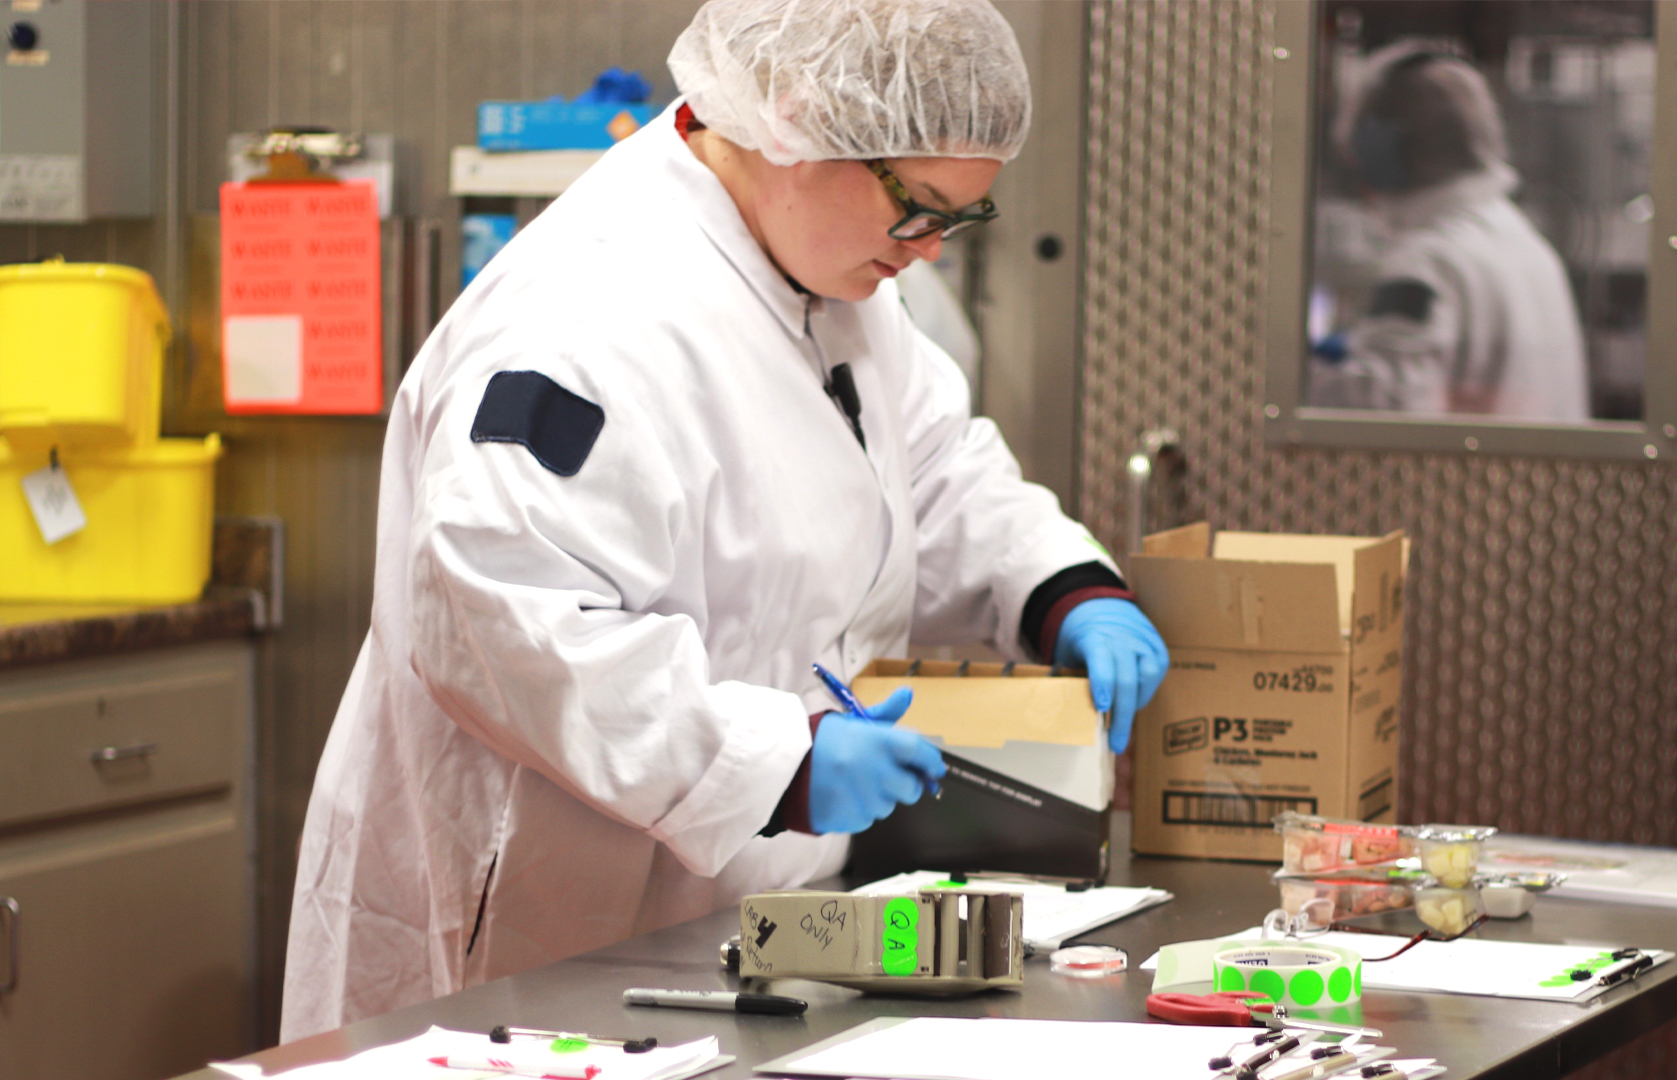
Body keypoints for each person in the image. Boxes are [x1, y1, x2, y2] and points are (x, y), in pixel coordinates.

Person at [280, 0, 1168, 1041]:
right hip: (537, 918)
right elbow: (507, 621)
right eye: (918, 208)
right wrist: (774, 763)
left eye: (958, 219)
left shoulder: (829, 280)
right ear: (795, 123)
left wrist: (1061, 588)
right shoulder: (588, 313)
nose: (926, 249)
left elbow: (927, 472)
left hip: (743, 912)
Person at [1307, 46, 1590, 421]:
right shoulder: (1526, 243)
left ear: (1381, 151)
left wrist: (1294, 373)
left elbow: (1382, 411)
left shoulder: (1428, 260)